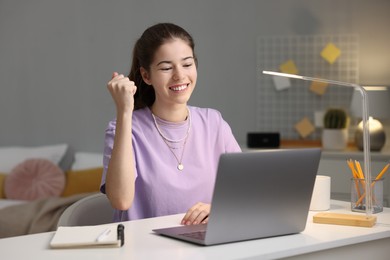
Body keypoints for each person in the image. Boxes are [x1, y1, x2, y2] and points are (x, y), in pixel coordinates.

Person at [100, 23, 241, 225]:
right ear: (146, 76)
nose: (179, 75)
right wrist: (124, 111)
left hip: (206, 247)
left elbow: (243, 192)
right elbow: (121, 200)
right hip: (146, 250)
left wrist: (216, 209)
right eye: (166, 67)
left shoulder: (213, 122)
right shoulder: (123, 129)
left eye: (187, 64)